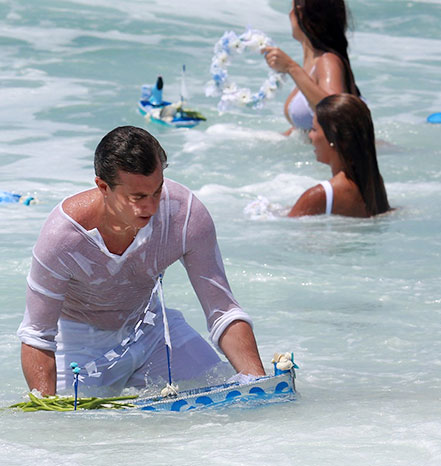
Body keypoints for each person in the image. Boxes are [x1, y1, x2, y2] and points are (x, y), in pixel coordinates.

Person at [17, 126, 265, 396]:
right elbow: (37, 336)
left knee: (228, 395)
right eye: (137, 197)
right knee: (75, 433)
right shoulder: (63, 237)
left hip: (152, 330)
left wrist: (258, 383)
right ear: (103, 187)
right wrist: (48, 412)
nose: (151, 207)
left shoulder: (184, 215)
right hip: (80, 348)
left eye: (157, 192)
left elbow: (223, 311)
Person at [262, 0, 360, 135]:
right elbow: (306, 130)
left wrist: (291, 68)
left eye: (292, 9)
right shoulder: (314, 63)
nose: (290, 14)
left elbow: (335, 116)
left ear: (300, 13)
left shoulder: (327, 61)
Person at [288, 94, 390, 218]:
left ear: (333, 139)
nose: (310, 135)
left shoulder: (319, 196)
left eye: (314, 129)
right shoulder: (374, 186)